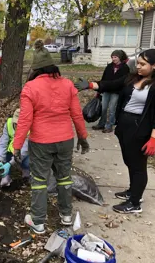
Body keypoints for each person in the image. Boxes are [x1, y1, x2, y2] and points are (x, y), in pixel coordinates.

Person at [75, 49, 155, 214]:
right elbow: (112, 84)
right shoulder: (133, 78)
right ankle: (133, 191)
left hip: (140, 129)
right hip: (125, 127)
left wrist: (154, 139)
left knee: (138, 166)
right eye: (138, 63)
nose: (139, 67)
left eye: (143, 64)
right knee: (129, 161)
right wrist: (91, 85)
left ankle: (135, 203)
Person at [13, 48, 90, 234]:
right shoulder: (67, 85)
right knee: (64, 177)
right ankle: (66, 215)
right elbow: (77, 115)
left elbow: (25, 120)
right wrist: (82, 137)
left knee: (39, 179)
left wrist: (16, 146)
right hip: (65, 140)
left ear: (35, 69)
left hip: (41, 142)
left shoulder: (30, 88)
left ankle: (38, 222)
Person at [93, 50, 130, 133]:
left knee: (112, 109)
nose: (113, 59)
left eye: (115, 57)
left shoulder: (125, 68)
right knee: (103, 108)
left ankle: (109, 126)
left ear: (120, 57)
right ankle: (101, 124)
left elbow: (124, 82)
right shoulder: (109, 66)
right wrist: (100, 90)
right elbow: (103, 79)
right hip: (106, 90)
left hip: (116, 92)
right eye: (112, 57)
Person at [0, 109, 30, 187]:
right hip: (11, 150)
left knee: (27, 162)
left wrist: (10, 163)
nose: (17, 126)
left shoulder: (29, 128)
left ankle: (26, 171)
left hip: (25, 152)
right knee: (6, 158)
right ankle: (6, 176)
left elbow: (24, 150)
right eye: (16, 123)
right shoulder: (9, 124)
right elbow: (2, 143)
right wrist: (1, 159)